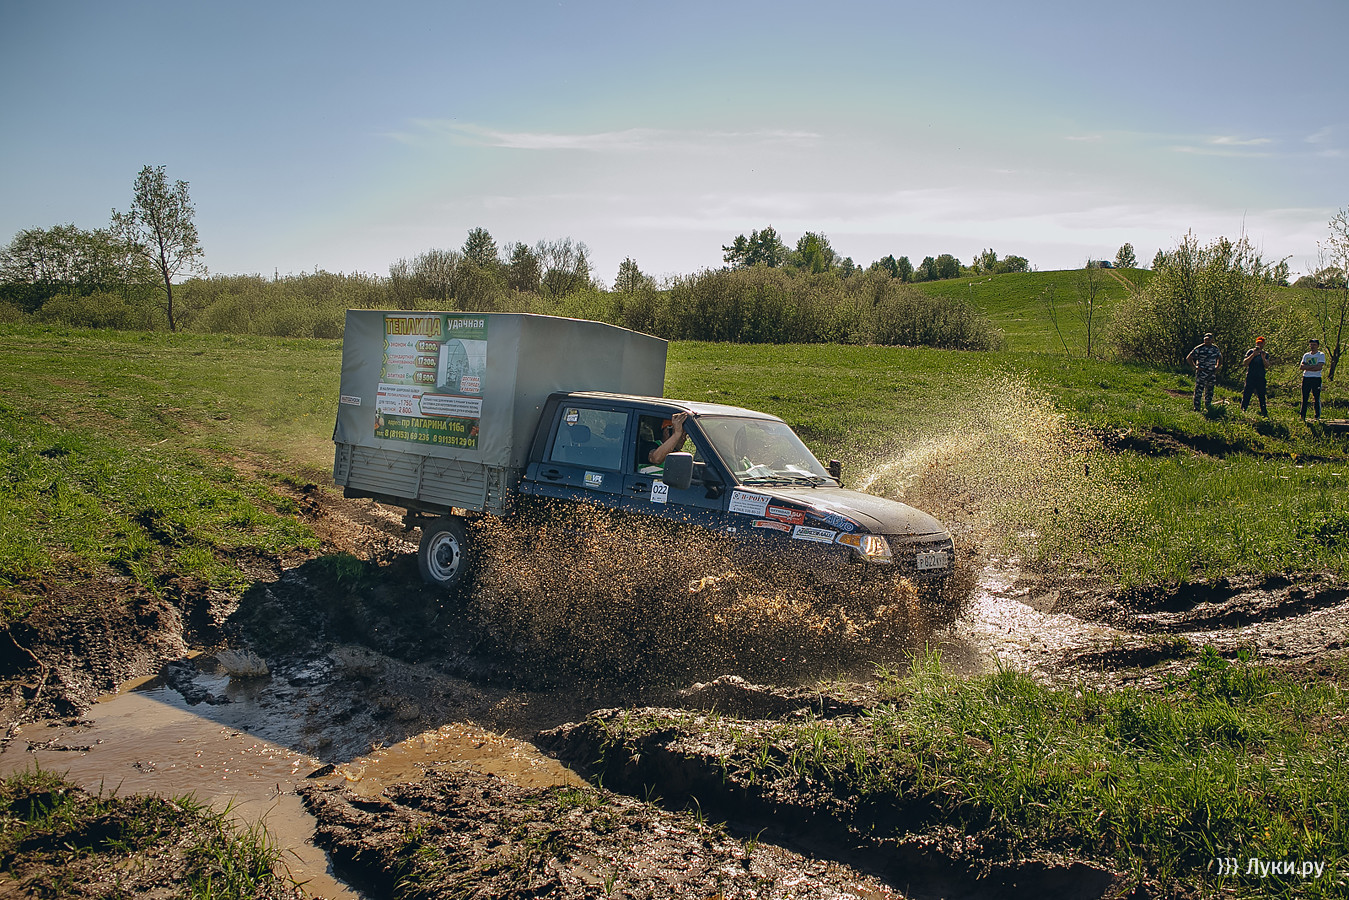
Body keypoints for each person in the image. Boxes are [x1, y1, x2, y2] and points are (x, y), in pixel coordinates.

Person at [1185, 333, 1222, 411]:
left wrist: (1217, 367)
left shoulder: (1215, 348)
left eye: (1209, 339)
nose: (1207, 341)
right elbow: (1189, 358)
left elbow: (1220, 357)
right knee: (1199, 390)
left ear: (1212, 340)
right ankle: (1197, 407)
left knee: (1210, 390)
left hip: (1211, 373)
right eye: (1206, 339)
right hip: (1202, 373)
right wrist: (1195, 367)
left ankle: (1208, 406)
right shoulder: (1199, 348)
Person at [1240, 336, 1270, 416]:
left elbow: (1267, 366)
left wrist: (1263, 358)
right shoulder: (1250, 352)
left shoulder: (1265, 354)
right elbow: (1245, 363)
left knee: (1262, 396)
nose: (1259, 345)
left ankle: (1264, 413)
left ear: (1263, 344)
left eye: (1261, 343)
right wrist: (1253, 355)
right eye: (1258, 343)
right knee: (1246, 394)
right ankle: (1243, 410)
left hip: (1260, 377)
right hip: (1251, 376)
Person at [1300, 338, 1326, 420]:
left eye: (1314, 345)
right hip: (1306, 378)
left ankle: (1317, 416)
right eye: (1311, 344)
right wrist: (1313, 367)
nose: (1312, 346)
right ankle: (1302, 416)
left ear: (1317, 346)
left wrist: (1308, 367)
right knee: (1305, 397)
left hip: (1316, 378)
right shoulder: (1306, 355)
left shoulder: (1320, 355)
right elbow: (1301, 367)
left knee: (1316, 397)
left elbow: (1319, 367)